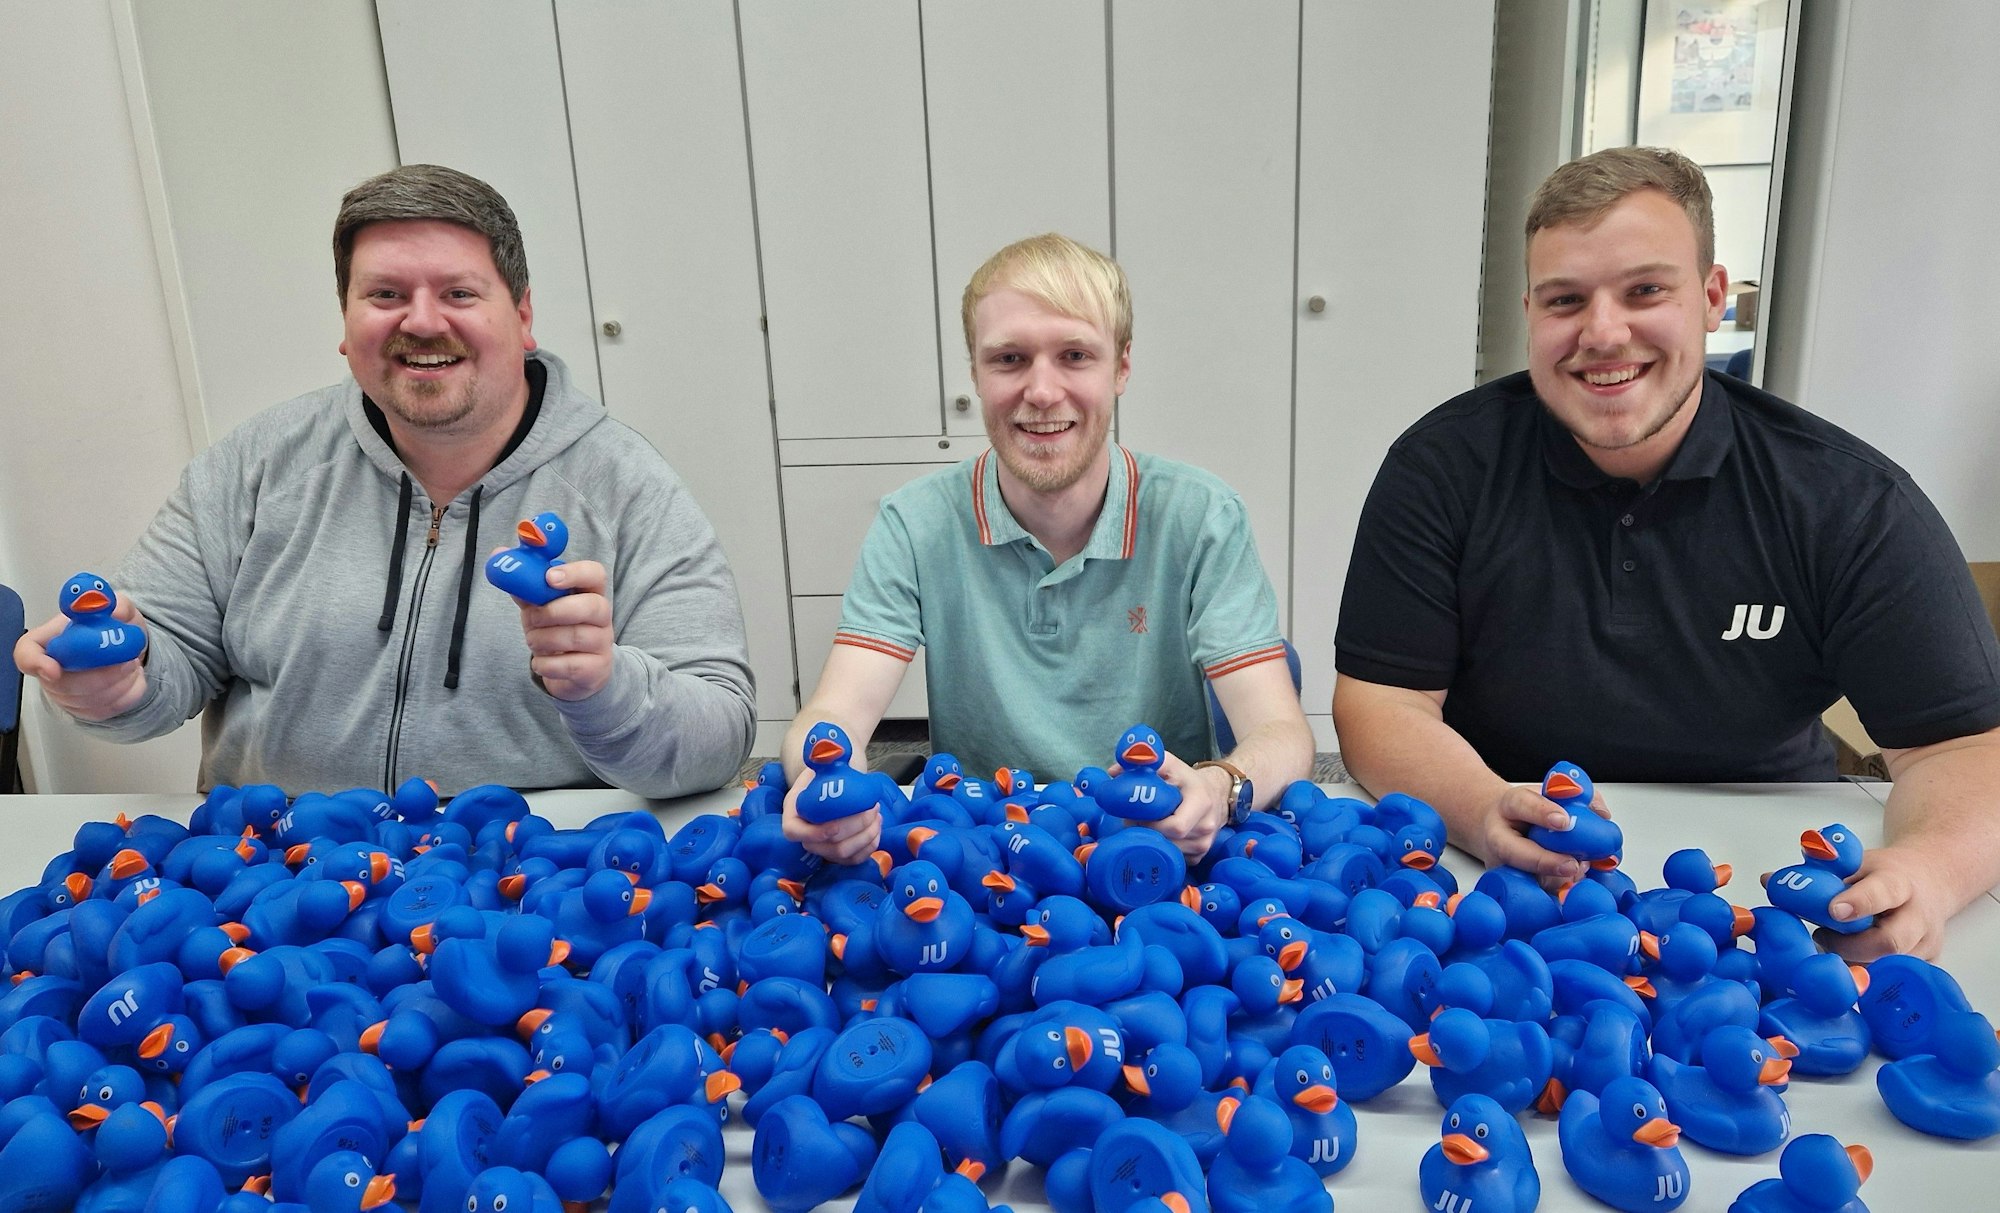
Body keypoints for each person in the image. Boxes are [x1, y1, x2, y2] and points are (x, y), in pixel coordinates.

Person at [1332, 146, 2000, 962]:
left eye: (1646, 290)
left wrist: (1926, 872)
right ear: (1530, 313)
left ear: (1712, 298)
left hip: (1769, 884)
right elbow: (1383, 702)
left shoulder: (1846, 501)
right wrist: (1479, 810)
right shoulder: (1440, 469)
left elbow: (1960, 746)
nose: (1603, 333)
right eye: (1565, 300)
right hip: (1492, 876)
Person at [12, 164, 755, 798]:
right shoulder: (254, 465)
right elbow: (164, 661)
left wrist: (605, 687)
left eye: (460, 294)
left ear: (523, 316)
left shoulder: (628, 488)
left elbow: (719, 735)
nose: (422, 322)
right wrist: (122, 680)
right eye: (386, 295)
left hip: (521, 887)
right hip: (273, 874)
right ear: (345, 321)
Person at [781, 233, 1315, 865]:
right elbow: (835, 708)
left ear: (1120, 368)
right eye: (1008, 359)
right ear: (975, 373)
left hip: (1156, 843)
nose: (1040, 391)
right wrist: (819, 777)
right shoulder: (914, 523)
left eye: (1074, 355)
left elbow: (1281, 733)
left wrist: (1223, 786)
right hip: (984, 849)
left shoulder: (1201, 518)